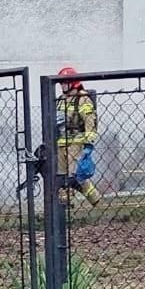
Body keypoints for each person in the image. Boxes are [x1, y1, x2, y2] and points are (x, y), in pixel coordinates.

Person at [55, 67, 100, 206]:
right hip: (61, 143)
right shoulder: (61, 99)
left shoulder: (82, 99)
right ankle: (64, 203)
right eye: (61, 83)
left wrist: (89, 143)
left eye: (64, 82)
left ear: (73, 82)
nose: (62, 85)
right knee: (61, 177)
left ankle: (95, 198)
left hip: (76, 143)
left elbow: (89, 120)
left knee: (74, 176)